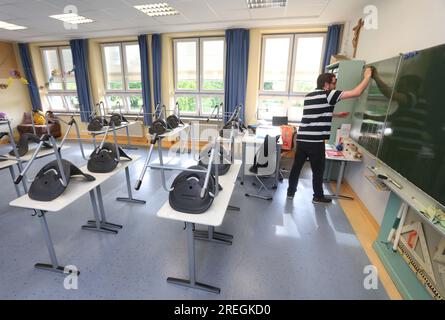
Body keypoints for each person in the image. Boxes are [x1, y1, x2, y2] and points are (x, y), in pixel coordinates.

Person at [287, 67, 373, 203]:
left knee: (296, 167)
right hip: (315, 141)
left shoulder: (309, 96)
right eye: (334, 83)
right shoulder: (329, 94)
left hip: (302, 138)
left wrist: (336, 115)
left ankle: (290, 192)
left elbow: (316, 113)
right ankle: (318, 196)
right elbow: (356, 92)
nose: (335, 86)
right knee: (318, 171)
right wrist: (367, 76)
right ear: (326, 85)